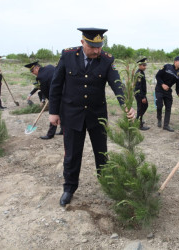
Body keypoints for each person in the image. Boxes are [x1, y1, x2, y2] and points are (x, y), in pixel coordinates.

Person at [49, 27, 135, 206]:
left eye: (99, 46)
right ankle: (69, 188)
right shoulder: (68, 56)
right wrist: (53, 112)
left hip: (97, 116)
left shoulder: (107, 59)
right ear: (82, 43)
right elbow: (56, 85)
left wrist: (126, 105)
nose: (97, 50)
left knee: (101, 153)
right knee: (72, 154)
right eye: (92, 47)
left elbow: (116, 84)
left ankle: (107, 185)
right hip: (72, 115)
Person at [24, 61, 62, 139]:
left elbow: (44, 91)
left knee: (53, 112)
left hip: (55, 95)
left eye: (32, 71)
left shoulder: (40, 77)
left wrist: (51, 100)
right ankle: (63, 130)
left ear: (37, 68)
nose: (32, 73)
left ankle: (50, 134)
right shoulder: (50, 66)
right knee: (62, 111)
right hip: (64, 91)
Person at [155, 56, 179, 132]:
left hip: (168, 91)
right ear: (175, 61)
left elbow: (178, 86)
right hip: (159, 89)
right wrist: (162, 84)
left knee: (168, 107)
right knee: (159, 105)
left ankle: (166, 125)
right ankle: (159, 118)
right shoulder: (166, 67)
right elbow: (157, 76)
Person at [134, 58, 150, 130]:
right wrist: (143, 97)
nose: (145, 67)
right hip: (139, 94)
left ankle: (138, 119)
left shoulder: (141, 72)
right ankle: (139, 125)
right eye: (143, 65)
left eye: (145, 65)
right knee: (141, 108)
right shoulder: (139, 74)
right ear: (139, 65)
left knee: (144, 106)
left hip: (141, 94)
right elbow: (138, 86)